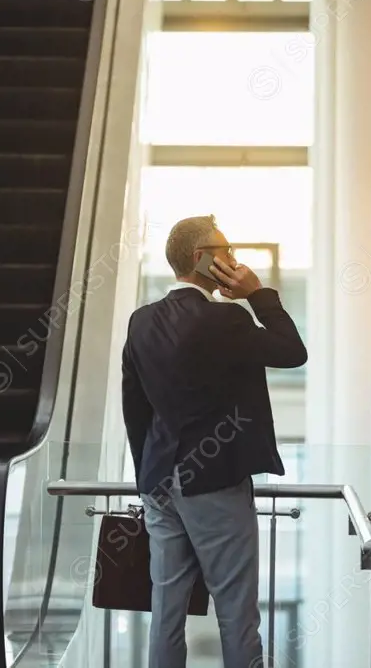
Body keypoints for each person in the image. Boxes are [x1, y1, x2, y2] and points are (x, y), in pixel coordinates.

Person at [122, 215, 307, 668]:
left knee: (166, 611)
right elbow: (291, 351)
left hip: (158, 480)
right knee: (236, 613)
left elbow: (135, 406)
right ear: (202, 259)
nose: (233, 258)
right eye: (225, 251)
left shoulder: (141, 321)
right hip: (215, 482)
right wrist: (258, 294)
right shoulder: (226, 319)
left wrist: (145, 478)